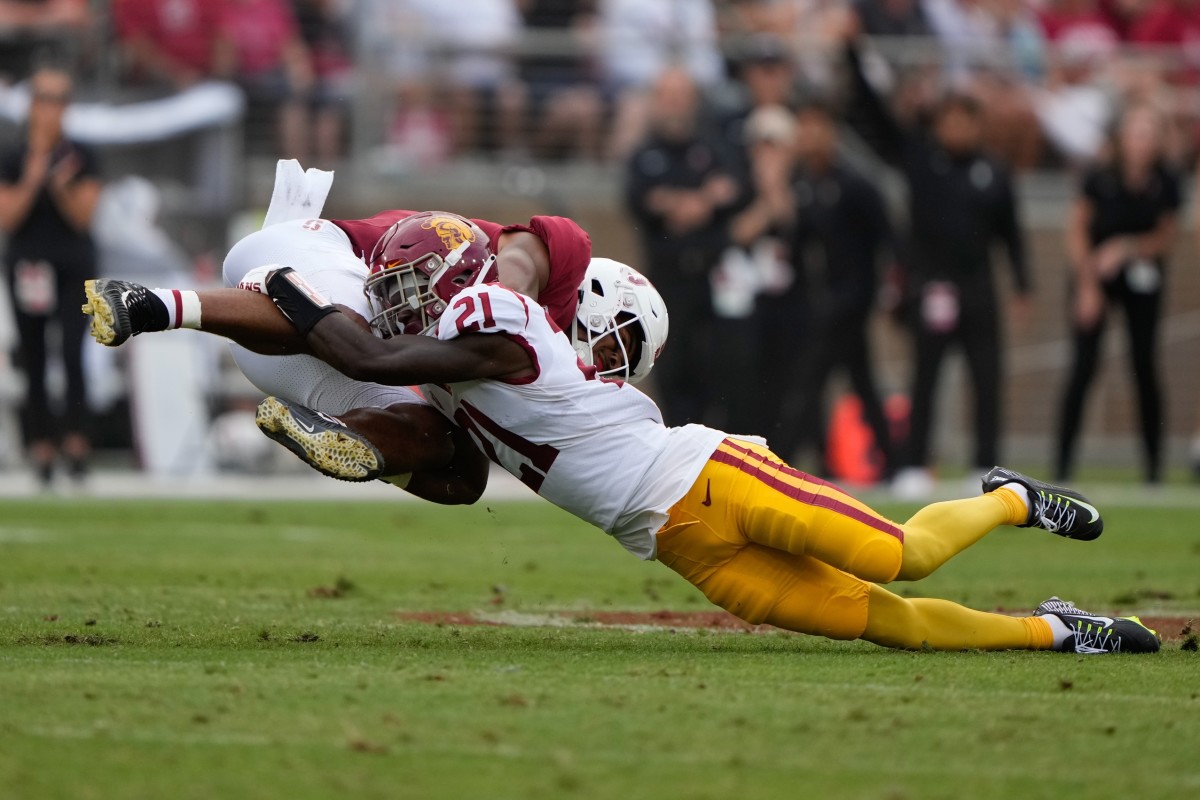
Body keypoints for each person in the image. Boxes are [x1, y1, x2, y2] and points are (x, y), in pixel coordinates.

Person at [145, 246, 1156, 655]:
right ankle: (1063, 633)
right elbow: (443, 452)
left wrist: (291, 308)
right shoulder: (468, 342)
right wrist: (353, 432)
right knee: (890, 623)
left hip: (707, 473)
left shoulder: (500, 324)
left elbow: (379, 350)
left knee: (902, 553)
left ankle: (1014, 500)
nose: (619, 358)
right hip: (677, 544)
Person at [83, 208, 592, 502]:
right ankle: (151, 303)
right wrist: (515, 301)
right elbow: (526, 246)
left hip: (278, 350)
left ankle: (340, 431)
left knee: (463, 475)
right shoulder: (549, 276)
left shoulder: (537, 364)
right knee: (365, 347)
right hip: (313, 262)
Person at [842, 29, 1032, 495]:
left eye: (965, 121)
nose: (956, 130)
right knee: (924, 379)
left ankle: (985, 466)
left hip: (980, 289)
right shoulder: (921, 160)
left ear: (977, 125)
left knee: (987, 380)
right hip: (931, 287)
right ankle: (913, 464)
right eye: (948, 120)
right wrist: (852, 55)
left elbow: (1012, 235)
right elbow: (877, 119)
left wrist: (1023, 287)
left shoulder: (993, 172)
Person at [1055, 103, 1181, 484]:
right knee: (1083, 366)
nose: (1142, 141)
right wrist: (1087, 285)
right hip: (1094, 273)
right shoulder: (1100, 176)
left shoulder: (1166, 180)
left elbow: (1166, 237)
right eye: (1135, 132)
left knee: (1144, 365)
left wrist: (1127, 248)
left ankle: (1153, 471)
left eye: (1149, 133)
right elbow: (1076, 229)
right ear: (1122, 137)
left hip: (1141, 273)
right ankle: (1062, 468)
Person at [772, 100, 896, 478]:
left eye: (816, 128)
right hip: (821, 300)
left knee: (809, 382)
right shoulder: (804, 183)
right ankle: (892, 460)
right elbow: (798, 241)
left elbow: (887, 238)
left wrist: (887, 289)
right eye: (803, 129)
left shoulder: (855, 184)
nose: (809, 137)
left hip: (852, 299)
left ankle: (785, 462)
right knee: (859, 381)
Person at [0, 63, 100, 487]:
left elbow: (83, 216)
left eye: (57, 99)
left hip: (73, 265)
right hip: (28, 265)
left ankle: (76, 440)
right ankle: (40, 443)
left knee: (75, 352)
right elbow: (8, 216)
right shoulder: (11, 155)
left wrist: (59, 184)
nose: (49, 109)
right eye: (43, 98)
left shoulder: (83, 155)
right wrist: (35, 171)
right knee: (34, 354)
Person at [625, 66, 741, 427]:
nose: (674, 105)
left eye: (681, 96)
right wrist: (700, 201)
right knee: (669, 364)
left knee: (715, 362)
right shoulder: (645, 153)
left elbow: (733, 189)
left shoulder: (712, 146)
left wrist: (679, 203)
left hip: (712, 274)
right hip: (666, 278)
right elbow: (640, 199)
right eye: (667, 96)